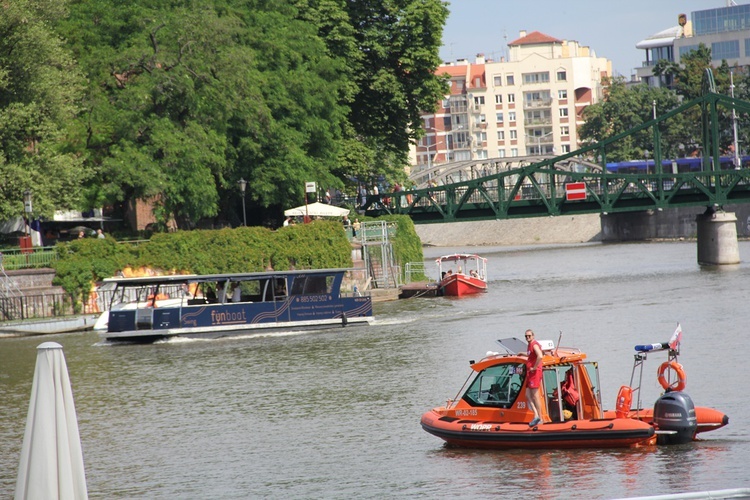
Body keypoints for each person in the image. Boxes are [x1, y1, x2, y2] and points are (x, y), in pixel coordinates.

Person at [523, 329, 545, 426]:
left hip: (534, 373)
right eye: (526, 336)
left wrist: (534, 367)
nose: (527, 337)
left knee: (535, 396)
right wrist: (521, 353)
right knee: (527, 395)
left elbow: (540, 356)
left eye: (529, 336)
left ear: (533, 336)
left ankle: (540, 418)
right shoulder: (529, 345)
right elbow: (530, 355)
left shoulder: (534, 344)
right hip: (530, 373)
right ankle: (536, 415)